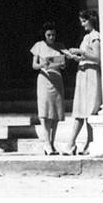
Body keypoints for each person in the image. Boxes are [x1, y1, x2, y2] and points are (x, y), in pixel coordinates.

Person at [65, 10, 101, 154]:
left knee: (88, 109)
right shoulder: (86, 37)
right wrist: (76, 57)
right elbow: (86, 56)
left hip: (91, 74)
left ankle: (73, 144)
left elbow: (97, 57)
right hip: (83, 73)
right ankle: (85, 143)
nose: (82, 23)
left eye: (84, 21)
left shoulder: (95, 37)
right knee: (81, 109)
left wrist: (82, 53)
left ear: (91, 20)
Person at [30, 25, 67, 155]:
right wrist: (42, 64)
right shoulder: (38, 46)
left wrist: (62, 63)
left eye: (53, 35)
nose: (51, 37)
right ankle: (46, 143)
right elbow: (34, 65)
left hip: (57, 79)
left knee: (55, 113)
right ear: (44, 35)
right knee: (45, 111)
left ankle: (52, 142)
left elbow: (63, 65)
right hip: (44, 79)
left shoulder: (59, 46)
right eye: (48, 35)